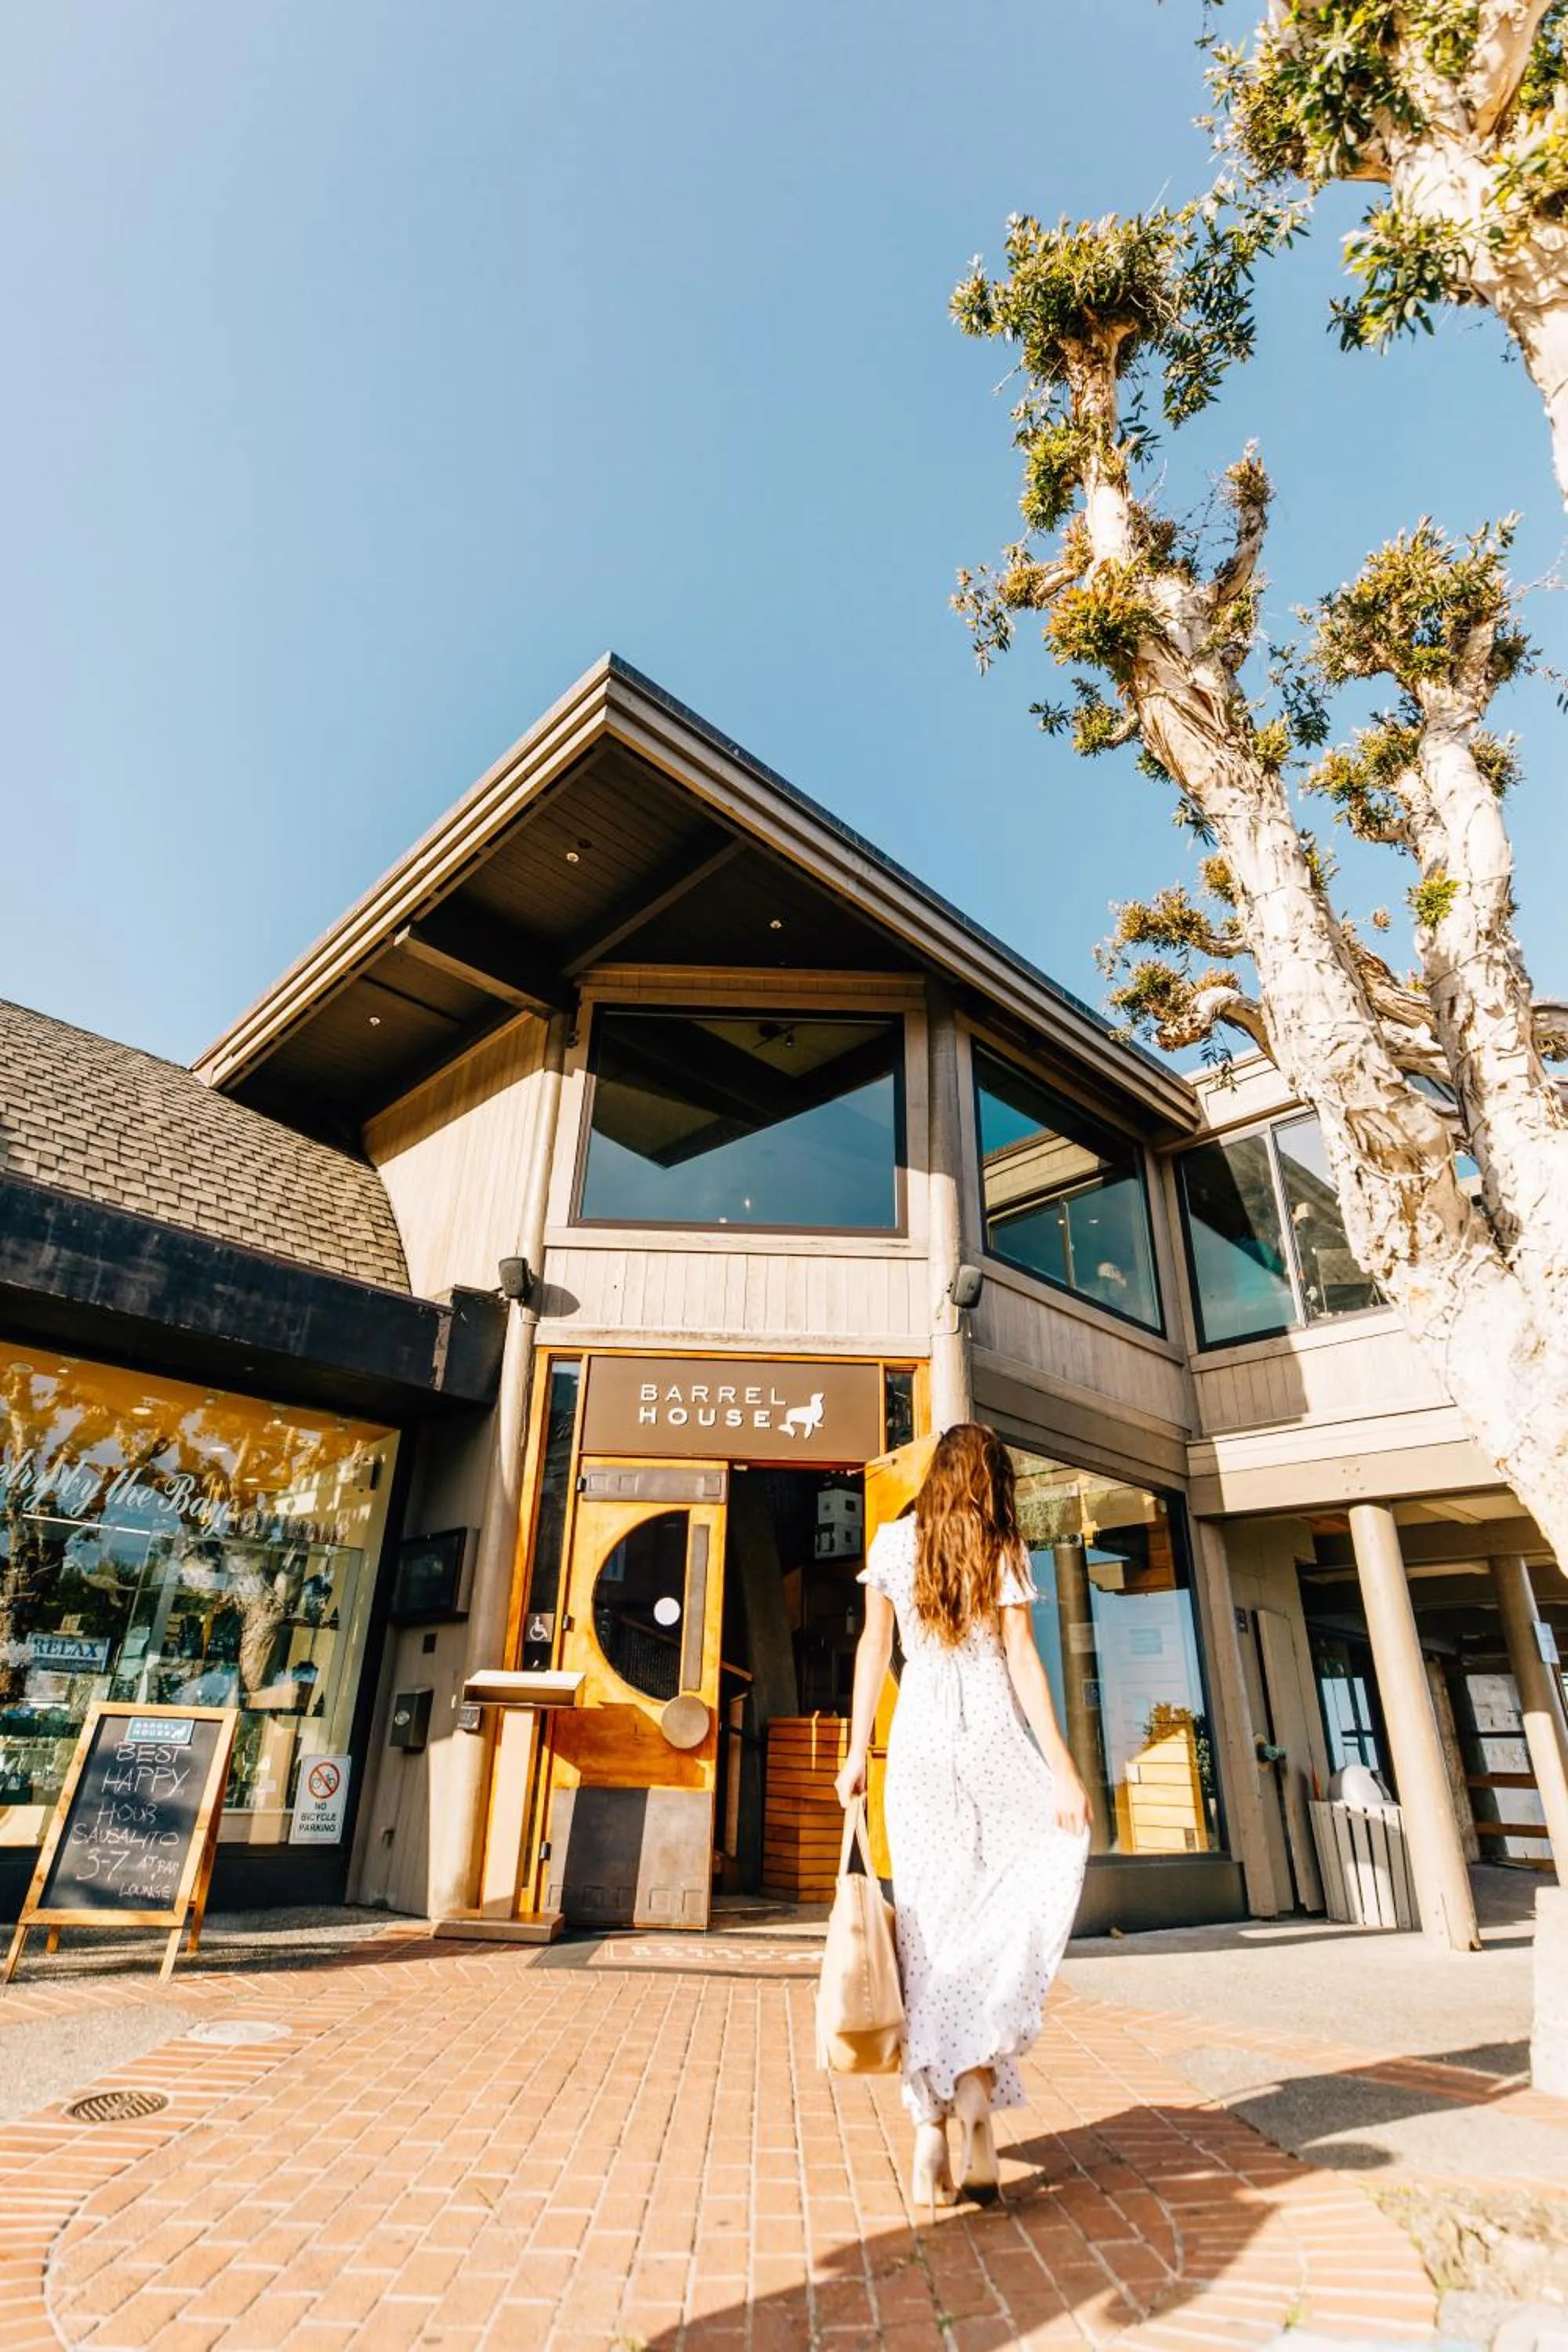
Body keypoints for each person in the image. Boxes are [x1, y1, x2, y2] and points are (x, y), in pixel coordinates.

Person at [833, 1422, 1091, 2217]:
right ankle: (975, 2091)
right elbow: (1020, 1659)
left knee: (925, 1935)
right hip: (991, 1745)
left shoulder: (890, 1541)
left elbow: (872, 1652)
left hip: (917, 1752)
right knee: (1006, 1909)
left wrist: (854, 1754)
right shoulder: (1000, 1547)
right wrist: (1062, 1768)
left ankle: (927, 2137)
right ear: (990, 1481)